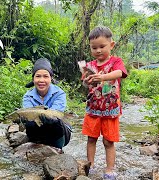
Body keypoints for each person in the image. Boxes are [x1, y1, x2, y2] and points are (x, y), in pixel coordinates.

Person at [81, 26, 128, 180]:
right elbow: (86, 85)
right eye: (94, 48)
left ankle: (110, 168)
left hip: (111, 110)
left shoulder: (116, 61)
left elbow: (120, 73)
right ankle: (90, 165)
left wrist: (103, 77)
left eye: (102, 46)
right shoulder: (90, 66)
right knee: (91, 138)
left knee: (109, 141)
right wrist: (88, 80)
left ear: (111, 45)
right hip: (93, 109)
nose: (98, 50)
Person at [22, 58, 72, 149]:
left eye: (45, 76)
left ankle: (57, 149)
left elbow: (56, 112)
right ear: (33, 79)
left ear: (51, 78)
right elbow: (28, 113)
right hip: (38, 129)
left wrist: (49, 117)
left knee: (56, 121)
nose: (41, 80)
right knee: (30, 123)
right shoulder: (28, 96)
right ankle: (36, 146)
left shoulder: (59, 93)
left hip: (57, 131)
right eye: (38, 76)